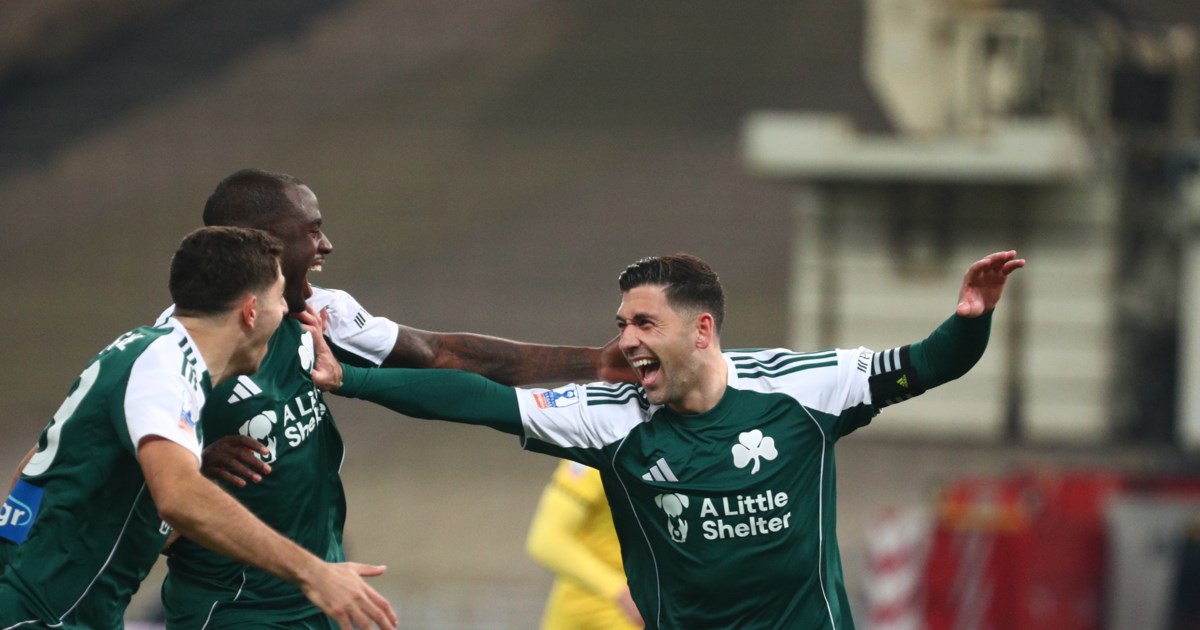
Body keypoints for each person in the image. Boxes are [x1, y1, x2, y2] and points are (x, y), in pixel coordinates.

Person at [313, 250, 1025, 629]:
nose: (625, 341)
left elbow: (923, 365)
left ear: (702, 329)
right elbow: (484, 401)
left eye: (644, 324)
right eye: (622, 324)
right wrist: (351, 379)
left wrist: (970, 319)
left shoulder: (806, 387)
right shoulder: (612, 418)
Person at [158, 168, 632, 628]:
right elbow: (136, 503)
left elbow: (437, 354)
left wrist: (595, 364)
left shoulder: (319, 313)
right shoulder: (173, 355)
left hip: (321, 590)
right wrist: (189, 469)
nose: (326, 245)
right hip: (234, 607)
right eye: (313, 230)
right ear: (263, 243)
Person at [0, 227, 396, 630]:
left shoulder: (149, 349)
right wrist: (313, 573)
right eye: (280, 297)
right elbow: (180, 498)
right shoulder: (165, 370)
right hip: (39, 619)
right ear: (251, 311)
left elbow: (34, 472)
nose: (286, 310)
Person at [526, 460, 642, 630]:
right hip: (611, 608)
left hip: (643, 603)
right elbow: (546, 540)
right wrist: (618, 590)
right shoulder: (597, 456)